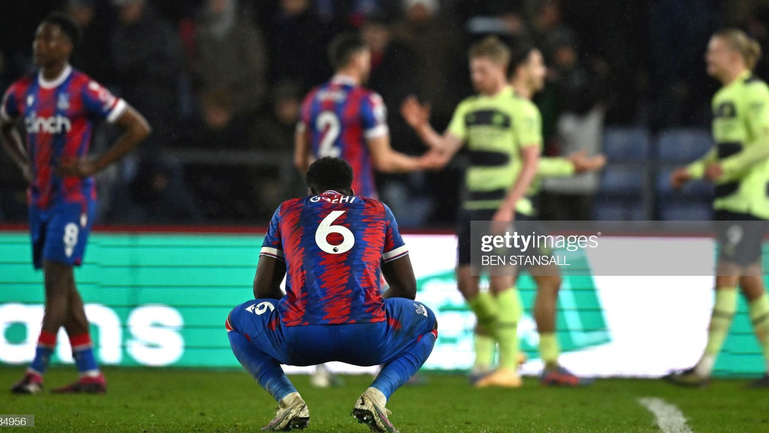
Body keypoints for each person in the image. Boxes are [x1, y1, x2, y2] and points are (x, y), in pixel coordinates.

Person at [226, 157, 437, 431]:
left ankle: (288, 399)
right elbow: (406, 289)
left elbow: (263, 290)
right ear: (350, 189)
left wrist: (297, 313)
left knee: (235, 321)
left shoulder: (288, 210)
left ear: (310, 191)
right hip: (368, 337)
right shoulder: (377, 210)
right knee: (427, 322)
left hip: (299, 337)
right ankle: (377, 395)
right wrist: (366, 312)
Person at [2, 13, 150, 394]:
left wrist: (94, 166)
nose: (40, 46)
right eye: (38, 38)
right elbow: (3, 126)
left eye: (49, 40)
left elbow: (138, 126)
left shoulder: (83, 89)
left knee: (55, 284)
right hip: (41, 199)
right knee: (65, 286)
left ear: (67, 47)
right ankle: (90, 374)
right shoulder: (22, 91)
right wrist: (23, 164)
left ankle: (35, 373)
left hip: (72, 200)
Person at [401, 36, 540, 388]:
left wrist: (509, 206)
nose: (476, 77)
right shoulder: (469, 108)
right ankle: (511, 347)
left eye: (483, 70)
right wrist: (421, 128)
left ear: (501, 68)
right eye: (473, 71)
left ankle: (508, 365)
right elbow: (445, 150)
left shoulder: (521, 109)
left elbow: (531, 162)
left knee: (500, 281)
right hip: (472, 206)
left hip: (503, 205)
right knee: (466, 284)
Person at [468, 44, 603, 386]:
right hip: (510, 208)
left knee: (547, 280)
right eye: (539, 64)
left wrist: (568, 166)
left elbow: (526, 164)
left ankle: (547, 362)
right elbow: (523, 164)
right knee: (503, 284)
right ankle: (486, 363)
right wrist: (568, 167)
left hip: (523, 209)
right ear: (521, 70)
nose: (544, 72)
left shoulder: (524, 105)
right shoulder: (515, 107)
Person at [668, 29, 769, 388]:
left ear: (733, 56)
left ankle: (704, 367)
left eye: (713, 51)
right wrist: (693, 171)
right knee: (751, 283)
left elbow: (766, 142)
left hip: (748, 199)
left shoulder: (755, 92)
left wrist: (726, 170)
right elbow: (722, 150)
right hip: (729, 198)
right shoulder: (724, 96)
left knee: (726, 276)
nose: (707, 58)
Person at [294, 33, 439, 199]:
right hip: (356, 201)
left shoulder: (311, 99)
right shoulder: (366, 100)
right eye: (367, 60)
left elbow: (300, 159)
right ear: (357, 60)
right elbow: (383, 160)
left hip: (320, 204)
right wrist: (421, 162)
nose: (369, 66)